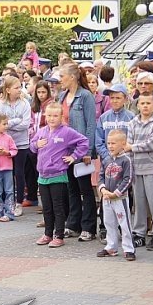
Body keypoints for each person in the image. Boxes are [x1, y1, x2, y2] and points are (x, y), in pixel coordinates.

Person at [31, 102, 89, 248]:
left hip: (58, 175)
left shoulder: (67, 132)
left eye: (55, 116)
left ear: (61, 116)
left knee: (58, 207)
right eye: (49, 115)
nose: (51, 118)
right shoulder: (42, 131)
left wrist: (73, 157)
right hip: (42, 176)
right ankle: (47, 234)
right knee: (47, 207)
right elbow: (31, 145)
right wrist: (36, 145)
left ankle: (59, 235)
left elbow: (84, 142)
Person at [58, 63, 96, 242]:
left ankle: (88, 227)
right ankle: (73, 224)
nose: (60, 80)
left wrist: (88, 149)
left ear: (72, 77)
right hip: (65, 150)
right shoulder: (61, 96)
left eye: (62, 76)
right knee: (71, 188)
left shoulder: (85, 96)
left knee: (85, 188)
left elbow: (90, 125)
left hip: (80, 149)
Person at [125, 94, 153, 251]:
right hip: (137, 168)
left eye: (148, 103)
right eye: (142, 103)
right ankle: (139, 233)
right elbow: (127, 145)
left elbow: (152, 143)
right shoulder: (132, 123)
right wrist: (129, 165)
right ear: (138, 105)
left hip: (152, 169)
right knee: (139, 203)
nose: (145, 106)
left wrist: (133, 147)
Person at [0, 75, 31, 217]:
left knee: (19, 173)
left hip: (21, 143)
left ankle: (19, 202)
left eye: (20, 87)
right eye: (16, 88)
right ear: (8, 90)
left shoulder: (25, 103)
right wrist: (15, 122)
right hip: (5, 143)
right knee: (6, 172)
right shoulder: (1, 104)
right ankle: (5, 202)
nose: (19, 90)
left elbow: (26, 124)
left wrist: (9, 124)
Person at [96, 129, 136, 261]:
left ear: (123, 144)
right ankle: (111, 246)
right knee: (109, 223)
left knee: (124, 223)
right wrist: (103, 190)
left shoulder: (126, 160)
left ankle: (129, 248)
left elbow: (128, 179)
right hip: (107, 198)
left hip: (120, 199)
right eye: (108, 143)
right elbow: (101, 176)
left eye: (114, 143)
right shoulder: (106, 159)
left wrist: (116, 193)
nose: (110, 146)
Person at [25, 81, 53, 208]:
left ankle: (45, 203)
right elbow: (31, 123)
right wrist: (32, 137)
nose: (41, 95)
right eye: (39, 92)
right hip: (34, 141)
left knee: (41, 171)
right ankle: (32, 197)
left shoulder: (50, 105)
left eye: (44, 92)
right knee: (30, 170)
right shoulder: (34, 106)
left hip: (45, 141)